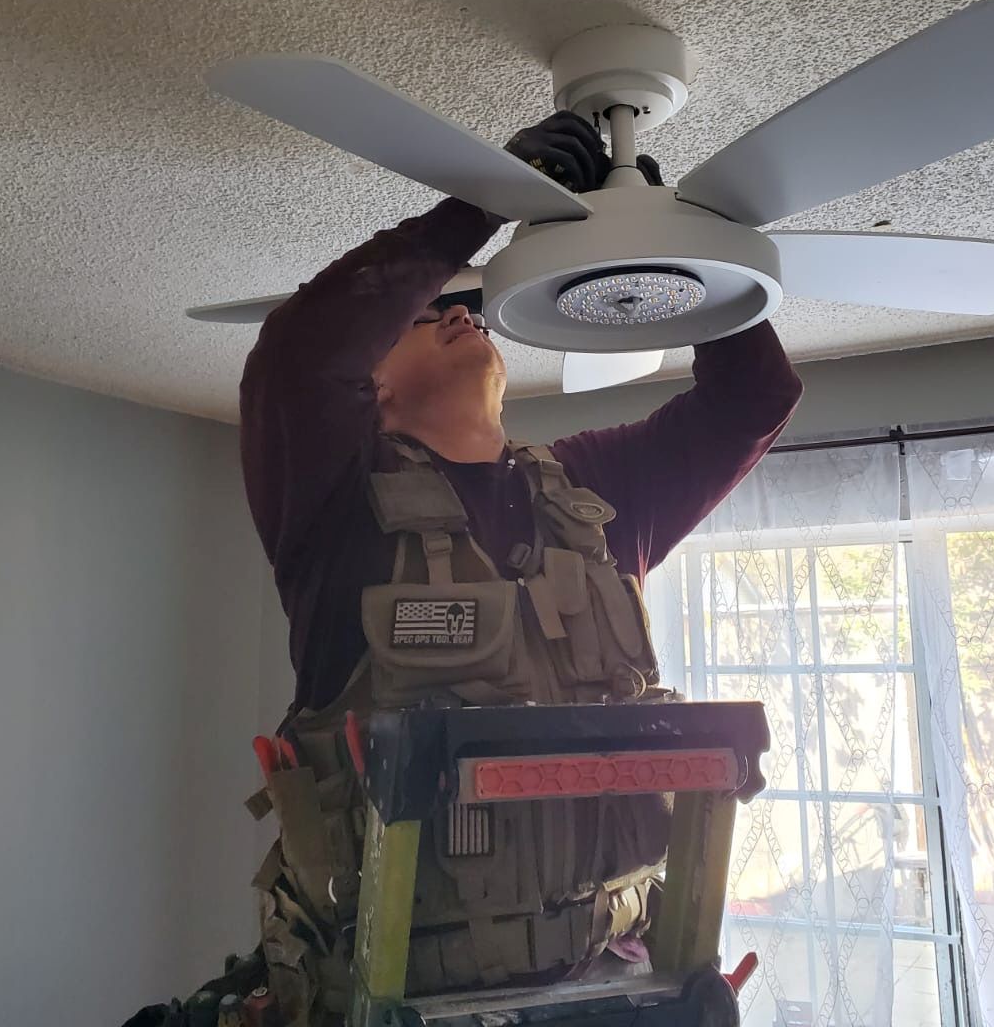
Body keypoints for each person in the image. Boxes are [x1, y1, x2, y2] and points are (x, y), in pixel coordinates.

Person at [126, 113, 802, 1027]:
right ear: (374, 384)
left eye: (466, 308)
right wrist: (478, 208)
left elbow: (753, 400)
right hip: (406, 1002)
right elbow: (299, 355)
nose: (457, 310)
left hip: (615, 986)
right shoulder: (336, 503)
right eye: (425, 312)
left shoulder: (597, 496)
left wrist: (669, 247)